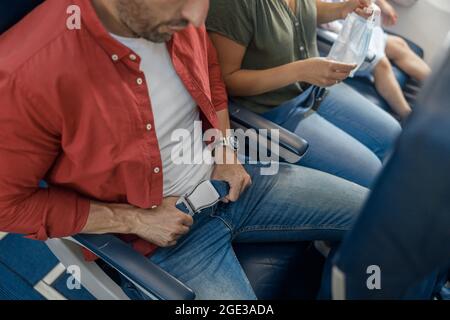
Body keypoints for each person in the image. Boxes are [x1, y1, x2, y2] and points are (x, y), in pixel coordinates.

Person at [0, 0, 368, 300]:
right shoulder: (24, 74)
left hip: (233, 183)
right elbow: (6, 205)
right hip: (161, 237)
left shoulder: (181, 17)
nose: (197, 15)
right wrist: (134, 219)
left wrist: (225, 151)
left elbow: (212, 79)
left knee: (379, 220)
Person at [207, 0, 402, 188]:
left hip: (312, 88)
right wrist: (300, 71)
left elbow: (306, 9)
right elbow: (227, 80)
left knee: (393, 134)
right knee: (371, 174)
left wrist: (342, 8)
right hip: (275, 110)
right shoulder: (231, 4)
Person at [321, 0, 431, 119]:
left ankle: (439, 85)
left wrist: (382, 4)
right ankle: (409, 117)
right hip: (334, 30)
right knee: (381, 63)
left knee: (399, 45)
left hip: (349, 19)